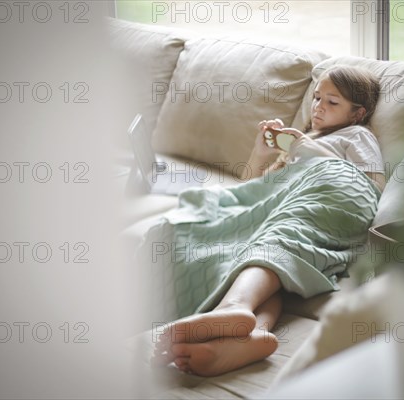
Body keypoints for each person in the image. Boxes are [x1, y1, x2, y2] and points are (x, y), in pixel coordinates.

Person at [151, 65, 384, 377]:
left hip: (341, 194)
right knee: (268, 248)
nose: (318, 107)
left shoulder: (356, 135)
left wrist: (305, 146)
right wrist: (260, 153)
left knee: (283, 232)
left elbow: (372, 185)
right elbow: (252, 192)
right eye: (316, 98)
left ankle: (232, 308)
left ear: (357, 114)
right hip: (289, 209)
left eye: (332, 102)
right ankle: (251, 333)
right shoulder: (301, 146)